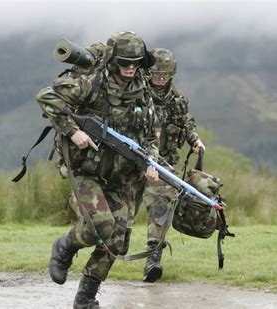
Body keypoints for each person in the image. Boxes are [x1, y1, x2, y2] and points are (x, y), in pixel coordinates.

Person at [36, 31, 159, 308]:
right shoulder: (91, 83)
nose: (130, 68)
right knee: (98, 228)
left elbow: (152, 134)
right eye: (125, 63)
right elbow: (46, 96)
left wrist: (150, 162)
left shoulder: (142, 92)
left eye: (136, 63)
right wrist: (72, 131)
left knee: (117, 242)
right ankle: (65, 246)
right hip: (87, 170)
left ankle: (85, 299)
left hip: (122, 175)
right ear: (113, 61)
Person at [138, 48, 205, 282]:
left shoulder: (177, 101)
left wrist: (195, 140)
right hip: (133, 159)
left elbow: (186, 124)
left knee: (162, 204)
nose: (160, 78)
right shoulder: (134, 95)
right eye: (156, 73)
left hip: (163, 164)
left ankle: (153, 258)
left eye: (165, 74)